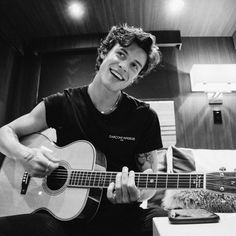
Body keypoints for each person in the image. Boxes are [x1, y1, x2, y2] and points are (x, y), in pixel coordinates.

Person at [0, 24, 167, 236]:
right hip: (62, 220)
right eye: (121, 54)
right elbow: (4, 133)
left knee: (161, 220)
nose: (124, 66)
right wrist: (26, 155)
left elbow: (149, 183)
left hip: (123, 220)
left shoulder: (145, 117)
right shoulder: (62, 103)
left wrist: (137, 193)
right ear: (105, 52)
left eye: (134, 66)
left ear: (136, 77)